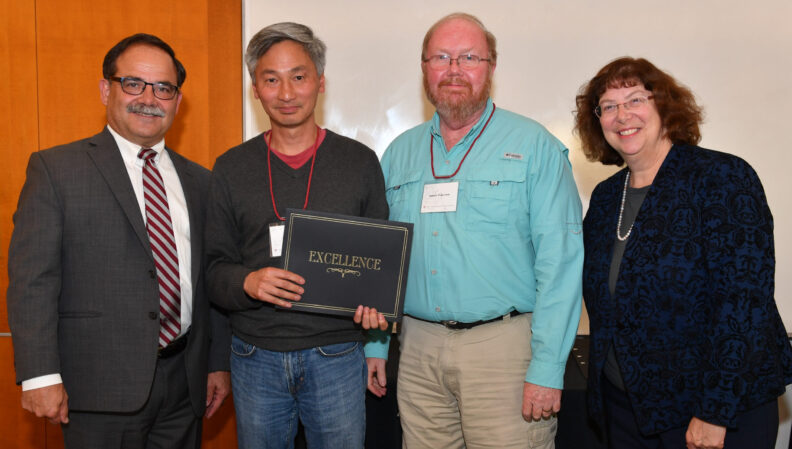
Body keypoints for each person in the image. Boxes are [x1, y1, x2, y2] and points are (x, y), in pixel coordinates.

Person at [360, 12, 584, 449]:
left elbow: (561, 264)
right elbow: (382, 259)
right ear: (424, 68)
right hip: (418, 347)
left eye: (469, 57)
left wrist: (547, 368)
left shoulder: (534, 145)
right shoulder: (398, 154)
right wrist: (375, 345)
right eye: (441, 57)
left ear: (491, 67)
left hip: (505, 351)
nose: (454, 69)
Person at [6, 33, 231, 448]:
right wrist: (39, 375)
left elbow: (210, 279)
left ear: (178, 102)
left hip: (184, 387)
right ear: (105, 89)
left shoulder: (202, 182)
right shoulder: (56, 170)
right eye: (134, 83)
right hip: (95, 389)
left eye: (164, 88)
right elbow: (32, 281)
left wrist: (217, 364)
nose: (149, 98)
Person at [574, 56, 792, 449]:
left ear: (664, 106)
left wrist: (715, 411)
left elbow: (744, 302)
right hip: (625, 409)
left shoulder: (722, 177)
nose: (622, 115)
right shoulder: (606, 198)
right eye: (608, 106)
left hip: (712, 412)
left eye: (636, 99)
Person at [204, 22, 388, 449]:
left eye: (298, 76)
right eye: (271, 79)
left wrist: (378, 314)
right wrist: (246, 281)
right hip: (254, 355)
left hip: (337, 354)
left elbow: (381, 265)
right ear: (255, 88)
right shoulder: (230, 168)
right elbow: (212, 269)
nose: (286, 93)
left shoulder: (359, 162)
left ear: (320, 83)